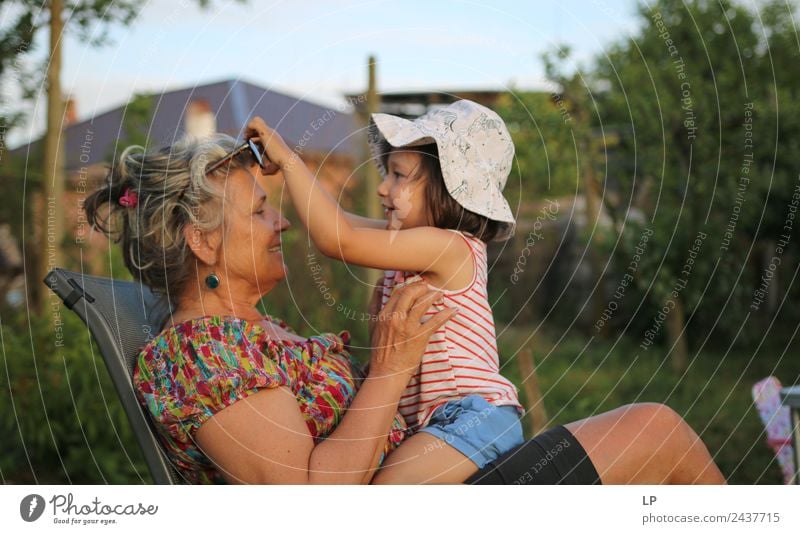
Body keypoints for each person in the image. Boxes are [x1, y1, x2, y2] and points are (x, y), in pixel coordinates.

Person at [84, 130, 726, 485]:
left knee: (657, 431)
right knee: (657, 432)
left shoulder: (252, 334)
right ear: (202, 242)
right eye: (259, 211)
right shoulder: (204, 353)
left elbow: (339, 233)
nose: (281, 223)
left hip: (454, 446)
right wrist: (391, 370)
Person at [242, 100, 525, 484]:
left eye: (398, 175)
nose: (382, 186)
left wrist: (290, 161)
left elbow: (338, 240)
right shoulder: (411, 241)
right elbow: (338, 223)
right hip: (435, 424)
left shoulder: (449, 247)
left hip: (472, 417)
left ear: (448, 187)